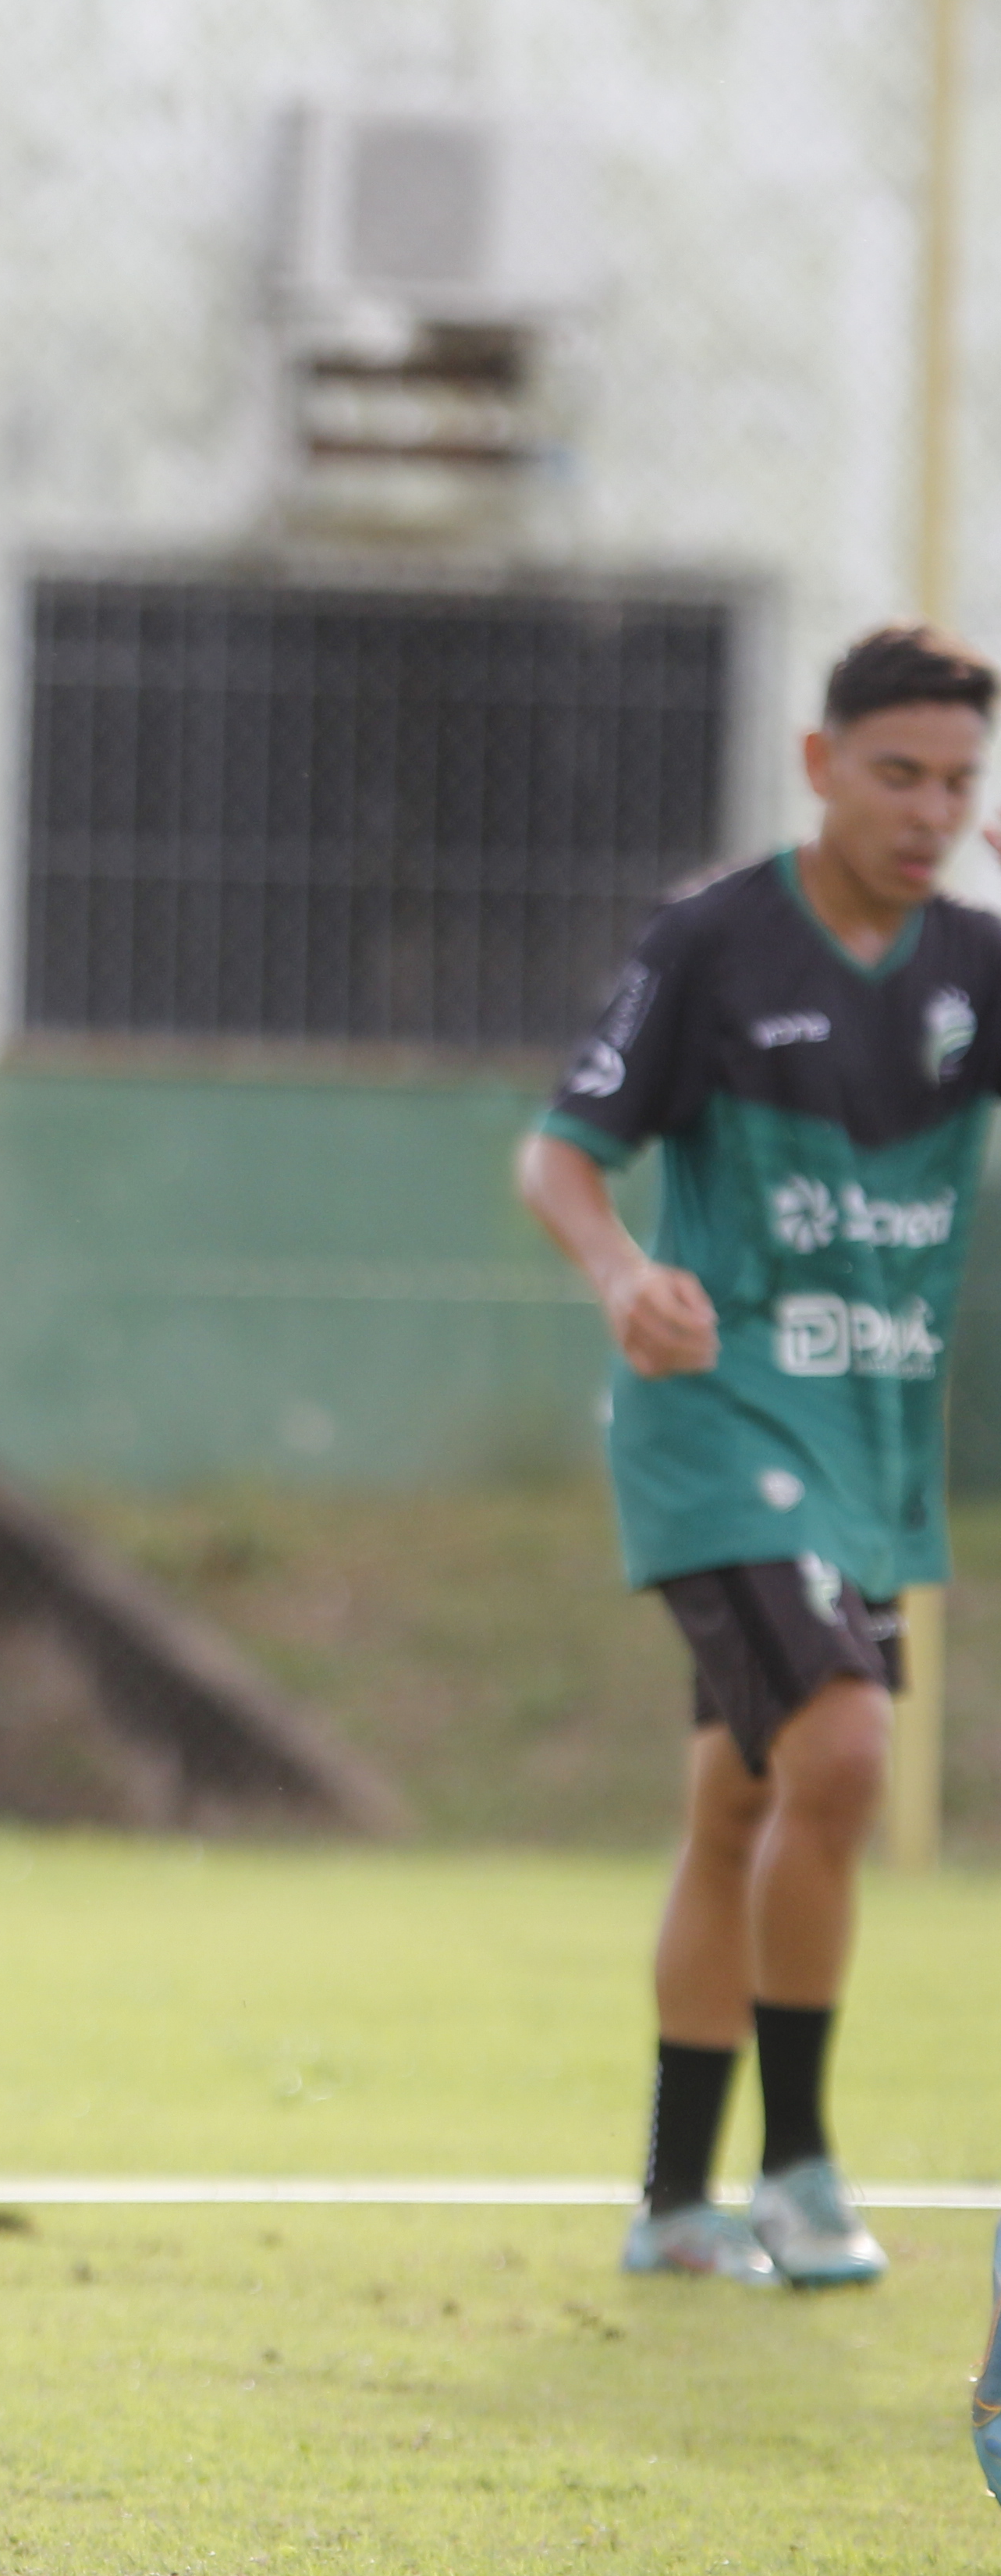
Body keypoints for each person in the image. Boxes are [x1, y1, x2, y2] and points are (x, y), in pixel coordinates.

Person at [520, 622, 1001, 2293]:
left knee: (741, 1809)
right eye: (898, 773)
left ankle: (673, 2201)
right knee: (849, 1757)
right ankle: (796, 2167)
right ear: (819, 763)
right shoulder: (716, 943)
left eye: (961, 781)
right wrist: (621, 1276)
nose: (930, 809)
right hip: (720, 1423)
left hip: (869, 1440)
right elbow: (561, 1155)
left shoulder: (974, 968)